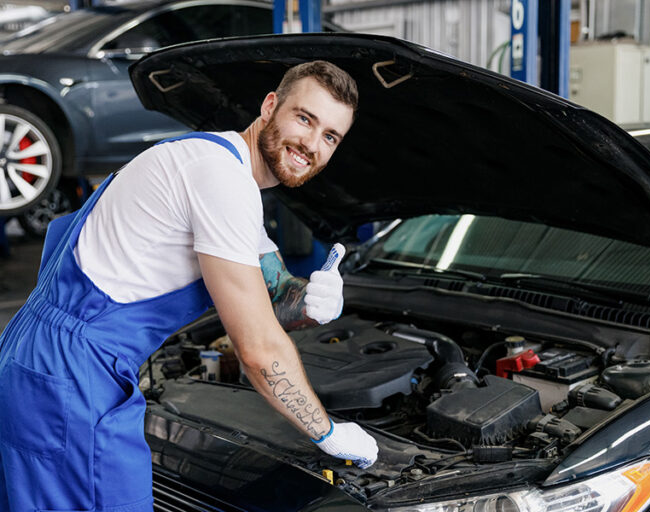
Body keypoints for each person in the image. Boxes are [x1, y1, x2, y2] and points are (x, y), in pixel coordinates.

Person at [0, 60, 377, 512]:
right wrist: (327, 432)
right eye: (305, 118)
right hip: (71, 377)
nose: (312, 144)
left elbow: (276, 292)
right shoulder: (221, 180)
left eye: (330, 136)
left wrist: (313, 299)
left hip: (42, 362)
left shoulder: (215, 163)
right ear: (270, 104)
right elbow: (257, 349)